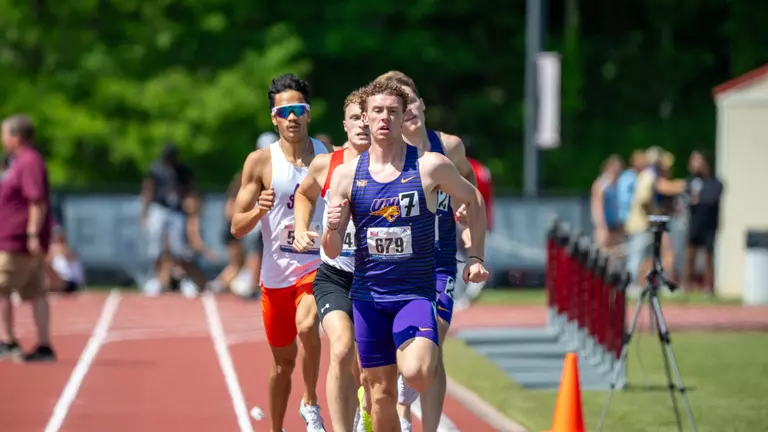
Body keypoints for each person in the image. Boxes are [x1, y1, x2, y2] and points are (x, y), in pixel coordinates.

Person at [321, 80, 489, 431]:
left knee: (417, 371)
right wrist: (331, 227)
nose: (385, 118)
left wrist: (475, 257)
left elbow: (473, 199)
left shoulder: (431, 166)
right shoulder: (345, 175)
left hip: (414, 292)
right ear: (364, 119)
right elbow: (332, 249)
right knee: (379, 395)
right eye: (377, 111)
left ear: (403, 118)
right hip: (368, 298)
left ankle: (409, 376)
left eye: (392, 112)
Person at [375, 70, 477, 432]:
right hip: (393, 268)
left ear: (421, 105)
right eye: (400, 104)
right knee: (407, 354)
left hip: (439, 263)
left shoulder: (448, 146)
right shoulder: (384, 154)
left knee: (433, 339)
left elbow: (469, 179)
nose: (410, 109)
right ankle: (398, 410)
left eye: (412, 100)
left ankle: (429, 426)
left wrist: (465, 212)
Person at [231, 73, 327, 432]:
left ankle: (311, 401)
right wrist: (259, 209)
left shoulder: (327, 157)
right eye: (283, 111)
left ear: (309, 113)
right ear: (273, 117)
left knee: (308, 324)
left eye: (298, 109)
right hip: (275, 274)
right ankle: (275, 427)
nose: (291, 117)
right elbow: (236, 226)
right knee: (282, 365)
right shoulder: (259, 162)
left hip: (316, 264)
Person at [292, 88, 370, 432]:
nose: (363, 124)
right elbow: (304, 194)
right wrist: (300, 226)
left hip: (380, 278)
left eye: (369, 117)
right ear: (345, 124)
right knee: (340, 348)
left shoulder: (400, 165)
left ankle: (362, 412)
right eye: (356, 117)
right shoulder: (327, 164)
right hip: (336, 275)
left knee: (368, 369)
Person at [0, 114, 56, 362]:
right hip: (19, 237)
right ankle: (44, 346)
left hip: (18, 239)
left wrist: (32, 233)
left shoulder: (28, 161)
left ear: (16, 137)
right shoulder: (15, 162)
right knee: (36, 292)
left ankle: (7, 341)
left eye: (5, 134)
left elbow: (36, 200)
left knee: (1, 287)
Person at [140, 142, 195, 294]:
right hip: (159, 208)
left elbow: (190, 188)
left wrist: (189, 205)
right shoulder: (156, 169)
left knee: (179, 246)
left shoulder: (182, 171)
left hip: (177, 210)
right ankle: (155, 279)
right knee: (156, 245)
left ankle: (183, 279)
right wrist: (145, 211)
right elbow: (148, 189)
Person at [684, 150, 722, 295]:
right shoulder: (691, 181)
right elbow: (686, 197)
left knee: (708, 256)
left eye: (696, 161)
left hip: (709, 225)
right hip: (694, 223)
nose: (693, 164)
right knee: (690, 255)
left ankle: (709, 287)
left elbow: (711, 198)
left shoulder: (715, 183)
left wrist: (697, 199)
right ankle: (686, 285)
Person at [591, 155, 624, 251]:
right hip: (604, 225)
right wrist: (601, 226)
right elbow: (597, 206)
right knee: (604, 251)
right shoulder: (602, 184)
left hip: (615, 224)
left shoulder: (616, 184)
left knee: (616, 252)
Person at [45, 225, 85, 294]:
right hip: (59, 281)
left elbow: (66, 253)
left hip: (71, 282)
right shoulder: (53, 251)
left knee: (45, 265)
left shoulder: (67, 250)